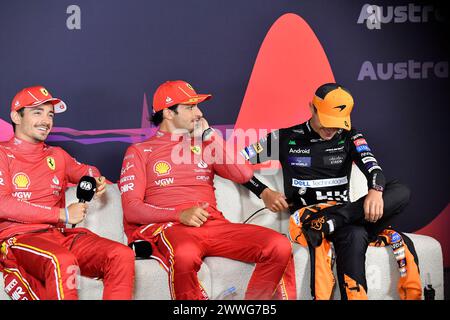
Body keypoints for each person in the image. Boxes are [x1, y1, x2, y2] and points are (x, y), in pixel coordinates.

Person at [242, 83, 422, 300]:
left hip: (346, 214)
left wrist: (375, 190)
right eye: (327, 122)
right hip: (311, 219)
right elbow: (234, 162)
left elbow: (375, 170)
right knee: (355, 233)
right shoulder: (285, 138)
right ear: (312, 108)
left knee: (401, 190)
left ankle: (336, 219)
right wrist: (263, 192)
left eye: (337, 125)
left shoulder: (350, 136)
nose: (331, 130)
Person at [119, 80, 296, 300]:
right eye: (190, 107)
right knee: (184, 255)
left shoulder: (205, 145)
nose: (199, 113)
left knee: (279, 246)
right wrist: (179, 214)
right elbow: (132, 210)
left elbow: (243, 174)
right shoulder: (139, 151)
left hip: (214, 225)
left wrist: (211, 136)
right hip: (173, 227)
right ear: (168, 113)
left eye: (197, 106)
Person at [0, 86, 135, 300]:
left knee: (121, 254)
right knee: (61, 260)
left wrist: (95, 179)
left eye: (50, 114)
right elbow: (3, 204)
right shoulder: (2, 153)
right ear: (16, 116)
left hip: (58, 236)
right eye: (38, 112)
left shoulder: (57, 155)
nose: (46, 120)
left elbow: (89, 171)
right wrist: (62, 215)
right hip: (18, 239)